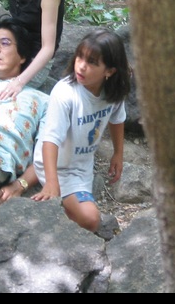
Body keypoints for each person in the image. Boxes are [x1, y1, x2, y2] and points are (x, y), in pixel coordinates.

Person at [32, 29, 131, 232]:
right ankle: (38, 186)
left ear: (110, 71)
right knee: (91, 219)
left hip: (81, 167)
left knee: (89, 220)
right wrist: (51, 184)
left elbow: (117, 119)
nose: (82, 66)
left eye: (92, 62)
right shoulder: (65, 92)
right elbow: (50, 140)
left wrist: (118, 154)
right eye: (80, 57)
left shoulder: (113, 92)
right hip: (55, 167)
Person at [0, 15, 50, 207]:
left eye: (4, 43)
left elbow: (49, 152)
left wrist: (20, 185)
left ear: (22, 56)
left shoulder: (43, 101)